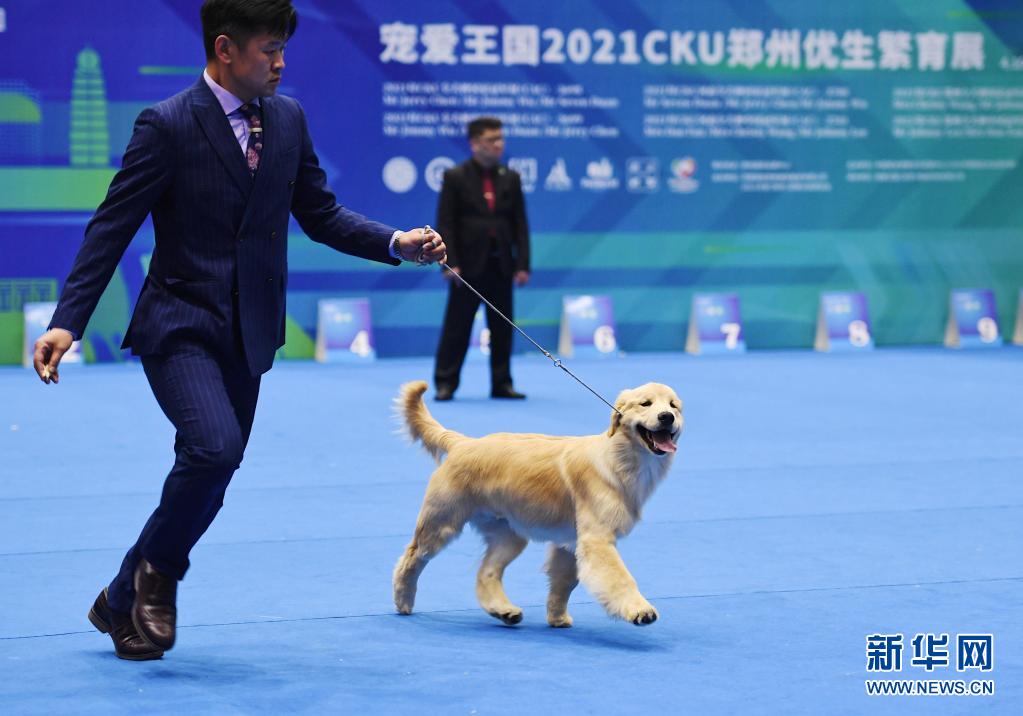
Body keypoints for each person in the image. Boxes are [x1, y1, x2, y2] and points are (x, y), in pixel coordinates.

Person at [31, 0, 445, 661]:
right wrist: (66, 322)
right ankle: (159, 578)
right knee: (214, 450)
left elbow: (321, 213)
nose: (281, 63)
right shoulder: (166, 125)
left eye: (283, 48)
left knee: (208, 474)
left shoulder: (287, 118)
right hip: (178, 325)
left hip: (250, 332)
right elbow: (112, 225)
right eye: (267, 50)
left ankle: (117, 599)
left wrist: (396, 242)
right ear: (225, 49)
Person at [432, 117, 530, 401]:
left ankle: (502, 383)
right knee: (457, 327)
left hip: (501, 265)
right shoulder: (455, 177)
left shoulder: (510, 177)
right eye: (492, 140)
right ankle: (445, 382)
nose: (499, 145)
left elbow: (520, 225)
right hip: (466, 267)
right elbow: (446, 222)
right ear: (475, 144)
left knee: (502, 327)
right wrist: (450, 262)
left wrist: (522, 264)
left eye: (501, 138)